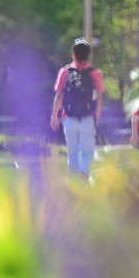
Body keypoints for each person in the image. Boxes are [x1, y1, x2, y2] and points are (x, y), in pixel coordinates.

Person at [50, 38, 105, 178]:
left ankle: (73, 183)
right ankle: (84, 172)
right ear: (89, 55)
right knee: (88, 153)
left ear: (73, 55)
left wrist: (54, 116)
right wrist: (96, 117)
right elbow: (99, 97)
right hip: (87, 118)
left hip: (69, 118)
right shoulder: (95, 73)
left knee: (72, 154)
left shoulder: (65, 72)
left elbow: (59, 95)